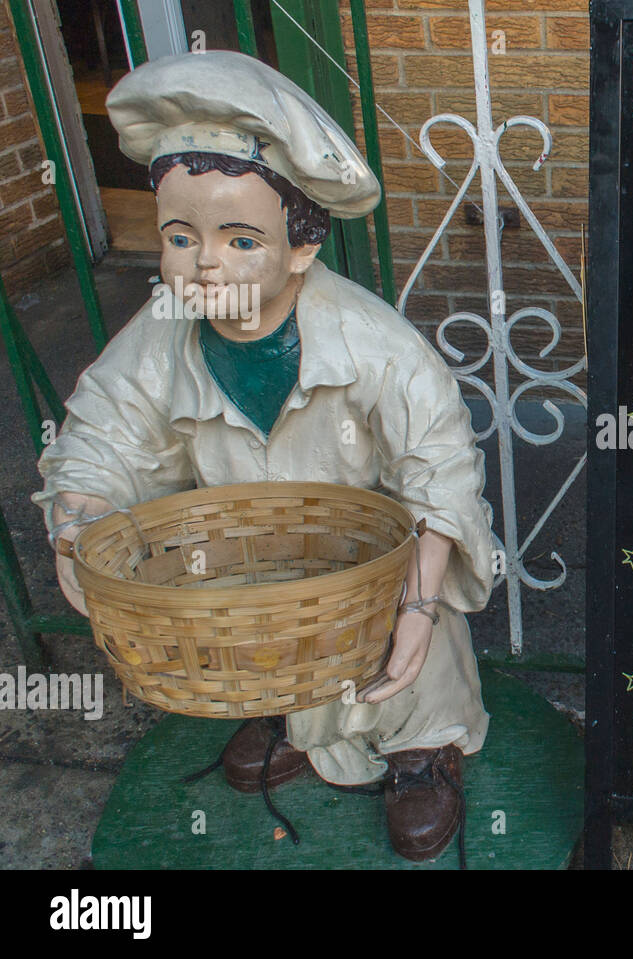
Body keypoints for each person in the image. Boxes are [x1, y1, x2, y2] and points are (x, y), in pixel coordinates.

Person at [33, 50, 494, 863]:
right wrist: (77, 519)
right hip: (255, 577)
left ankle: (421, 742)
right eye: (181, 236)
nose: (205, 263)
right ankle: (289, 715)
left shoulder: (378, 345)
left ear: (301, 248)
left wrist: (421, 606)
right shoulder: (163, 333)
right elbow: (105, 426)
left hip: (377, 574)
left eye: (240, 238)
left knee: (401, 647)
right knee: (258, 620)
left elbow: (440, 469)